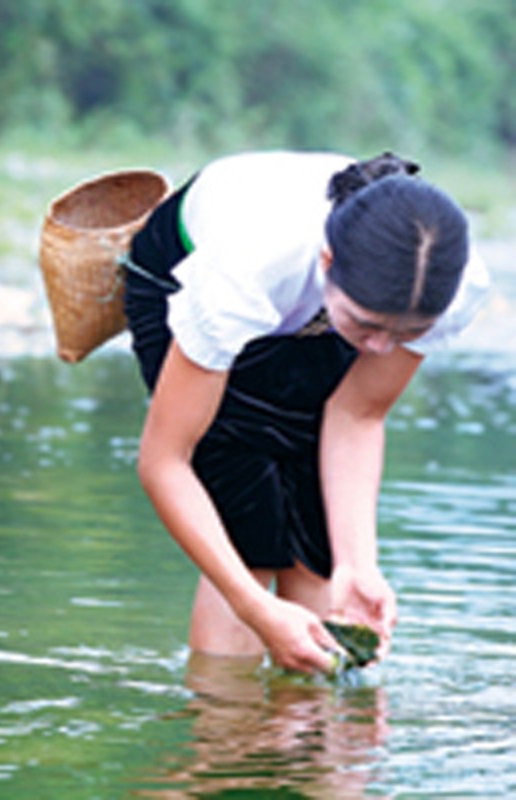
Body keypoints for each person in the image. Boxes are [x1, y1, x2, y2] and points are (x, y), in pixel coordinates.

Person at [123, 151, 489, 674]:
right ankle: (227, 731)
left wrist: (358, 564)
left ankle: (309, 732)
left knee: (317, 547)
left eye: (406, 335)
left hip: (328, 299)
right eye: (367, 327)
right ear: (326, 263)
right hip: (181, 269)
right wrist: (257, 609)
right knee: (246, 526)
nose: (382, 349)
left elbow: (358, 415)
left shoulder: (438, 286)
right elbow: (165, 461)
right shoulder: (245, 268)